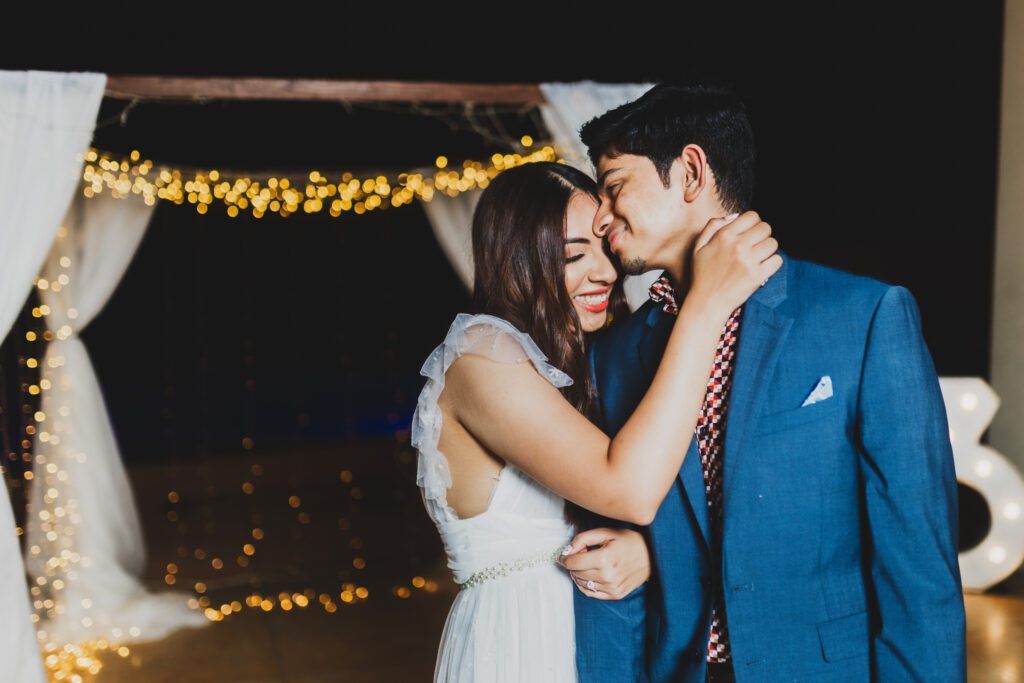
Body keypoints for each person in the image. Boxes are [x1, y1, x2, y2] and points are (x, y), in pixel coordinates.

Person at [570, 81, 966, 682]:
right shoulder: (614, 355)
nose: (602, 218)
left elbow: (918, 560)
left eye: (615, 187)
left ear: (691, 172)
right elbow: (610, 559)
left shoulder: (861, 316)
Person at [410, 160, 779, 682]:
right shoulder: (481, 357)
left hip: (606, 638)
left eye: (606, 248)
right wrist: (707, 301)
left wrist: (649, 555)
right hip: (522, 642)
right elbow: (624, 488)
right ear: (519, 261)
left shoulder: (589, 358)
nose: (606, 271)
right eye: (572, 255)